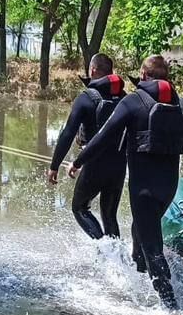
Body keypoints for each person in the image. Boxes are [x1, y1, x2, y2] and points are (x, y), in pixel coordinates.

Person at [67, 55, 183, 309]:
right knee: (139, 233)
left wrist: (79, 161)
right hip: (168, 189)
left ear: (144, 75)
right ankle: (136, 282)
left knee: (152, 248)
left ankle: (171, 309)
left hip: (143, 191)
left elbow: (104, 137)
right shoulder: (181, 106)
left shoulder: (133, 101)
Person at [47, 53, 127, 239]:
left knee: (79, 208)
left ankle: (104, 250)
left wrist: (54, 166)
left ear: (92, 70)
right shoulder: (125, 98)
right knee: (109, 215)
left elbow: (67, 134)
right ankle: (118, 258)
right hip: (119, 164)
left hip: (94, 163)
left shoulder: (86, 98)